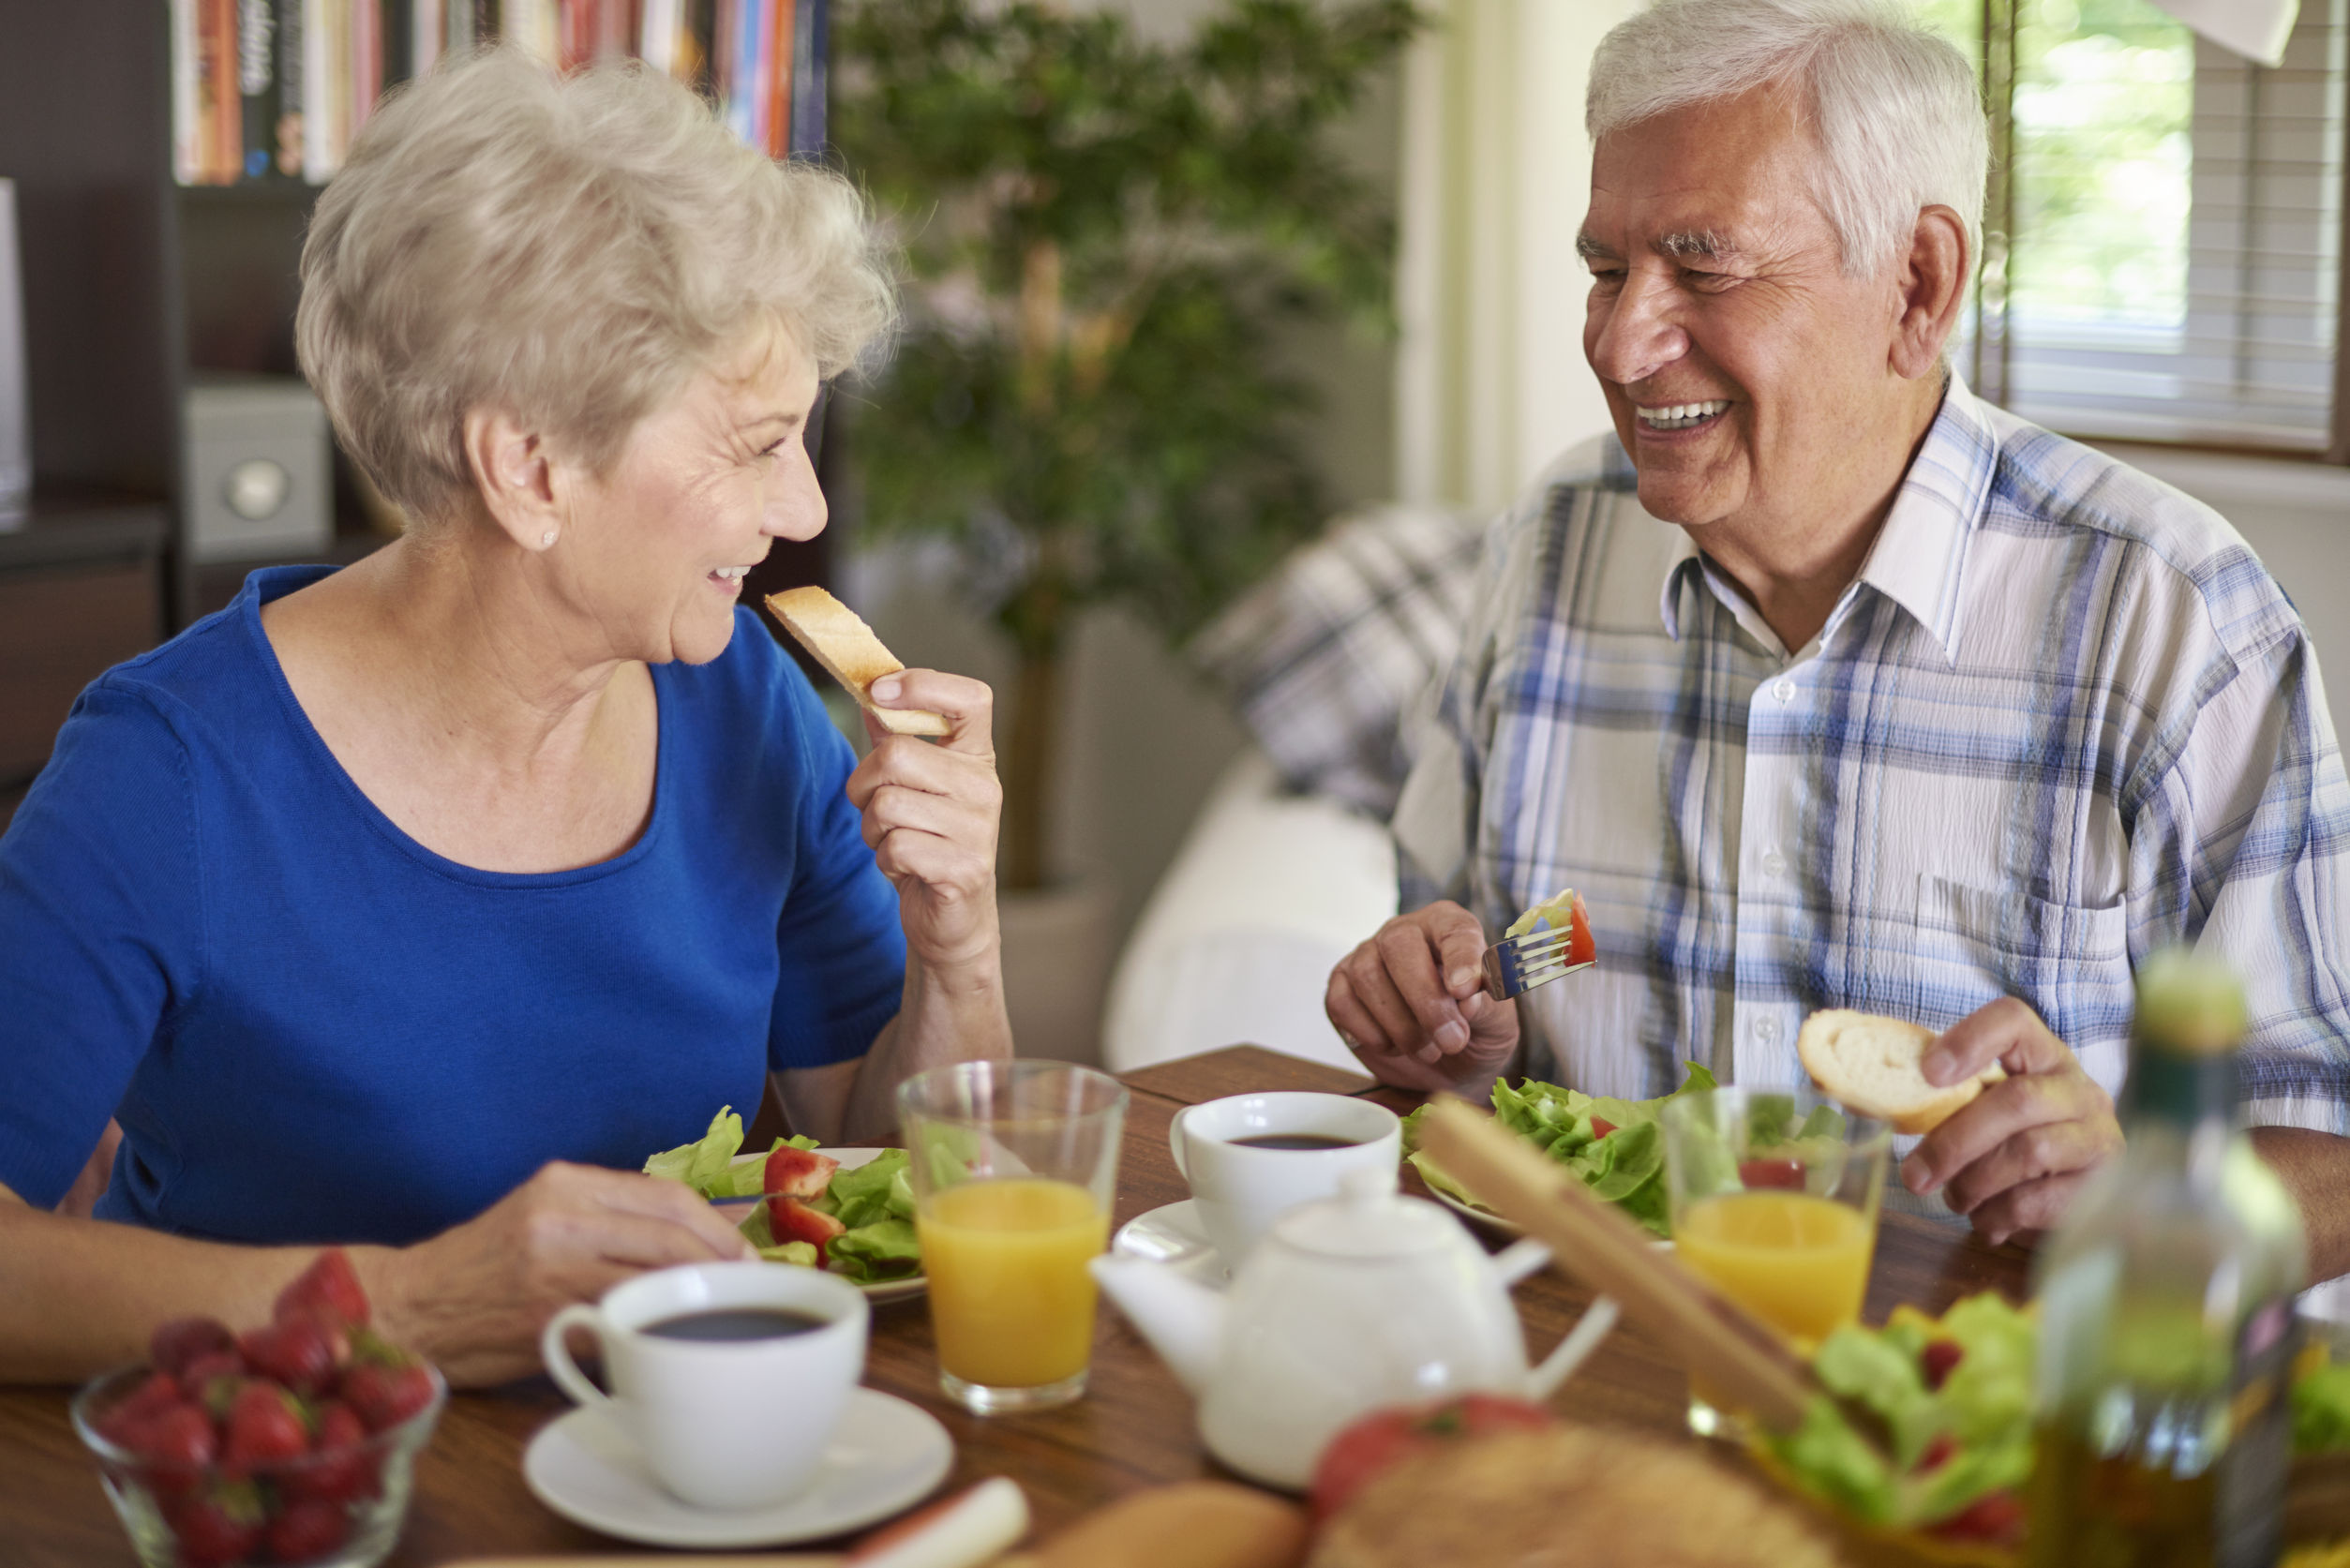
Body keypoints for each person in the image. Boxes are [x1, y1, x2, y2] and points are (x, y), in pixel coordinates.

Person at [0, 48, 1010, 1384]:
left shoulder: (749, 705)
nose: (807, 511)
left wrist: (962, 949)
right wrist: (409, 1304)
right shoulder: (168, 771)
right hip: (301, 1489)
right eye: (756, 443)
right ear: (530, 466)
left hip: (676, 1454)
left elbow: (892, 1170)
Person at [1326, 0, 2350, 1269]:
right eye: (1605, 268)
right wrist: (1447, 1022)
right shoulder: (1551, 544)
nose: (1617, 339)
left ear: (1917, 284)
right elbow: (1462, 968)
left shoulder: (2167, 614)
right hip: (1591, 1376)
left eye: (1704, 270)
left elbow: (2332, 1151)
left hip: (1974, 1423)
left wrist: (2137, 1187)